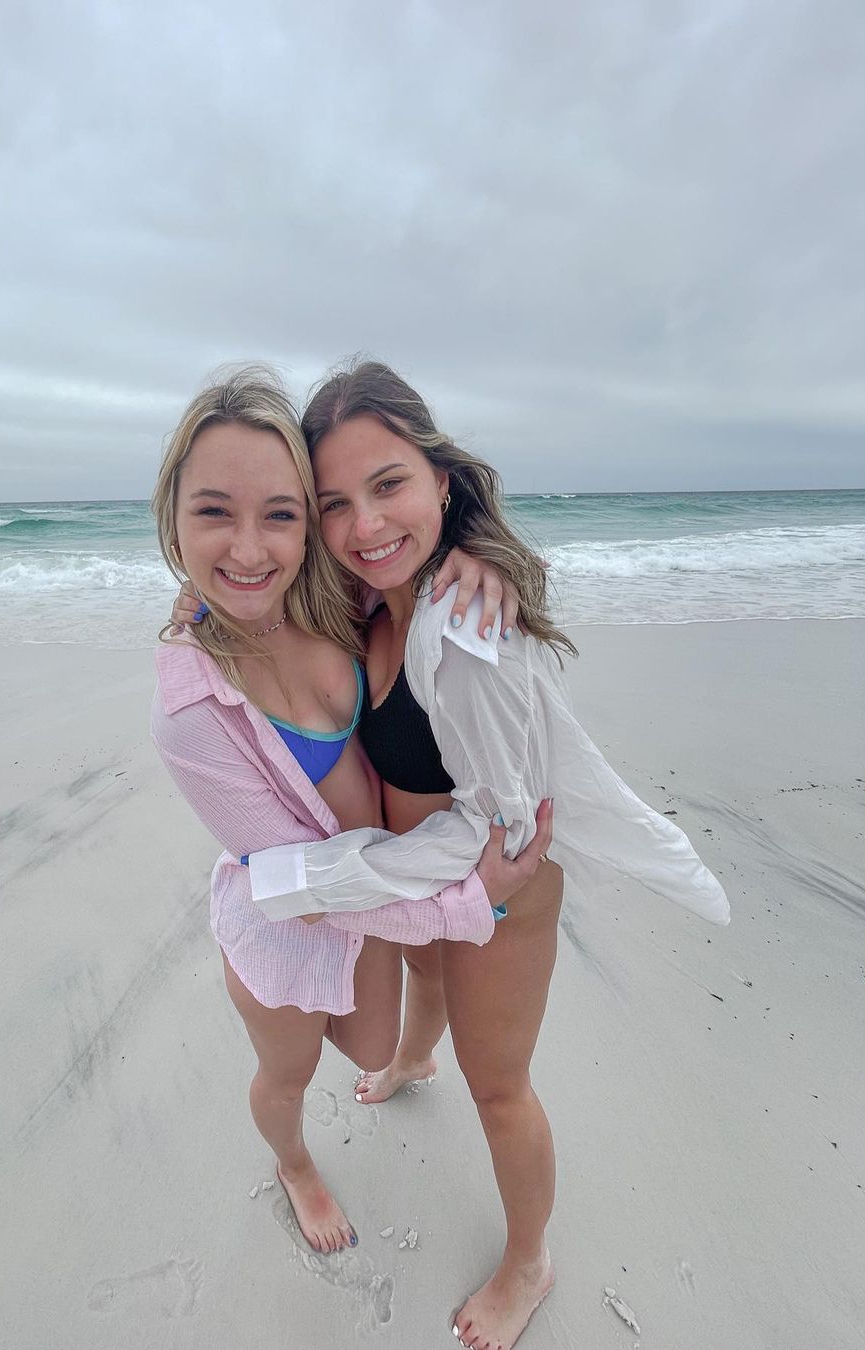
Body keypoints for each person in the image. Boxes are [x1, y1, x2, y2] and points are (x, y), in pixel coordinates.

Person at [241, 360, 730, 1350]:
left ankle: (529, 1261)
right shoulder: (371, 598)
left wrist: (332, 881)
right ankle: (413, 1055)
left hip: (496, 887)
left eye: (388, 485)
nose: (365, 524)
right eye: (334, 503)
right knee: (425, 972)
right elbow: (256, 596)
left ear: (442, 479)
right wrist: (199, 610)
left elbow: (502, 831)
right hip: (429, 883)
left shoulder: (467, 634)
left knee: (500, 1089)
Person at [149, 366, 553, 1260]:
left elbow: (397, 548)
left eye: (281, 514)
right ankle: (295, 1164)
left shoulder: (335, 599)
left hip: (401, 878)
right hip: (299, 914)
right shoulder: (193, 711)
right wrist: (464, 901)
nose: (249, 547)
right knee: (288, 1075)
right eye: (213, 512)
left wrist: (478, 554)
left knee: (413, 1024)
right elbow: (298, 887)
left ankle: (420, 1069)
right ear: (171, 518)